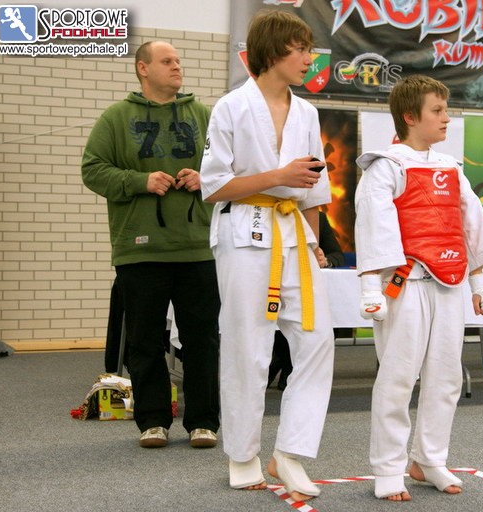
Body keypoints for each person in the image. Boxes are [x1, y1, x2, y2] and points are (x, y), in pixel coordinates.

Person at [200, 10, 335, 503]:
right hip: (244, 231)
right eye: (301, 49)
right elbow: (214, 186)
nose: (309, 58)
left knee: (318, 341)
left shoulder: (307, 113)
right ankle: (242, 455)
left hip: (295, 234)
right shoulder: (231, 107)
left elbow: (313, 188)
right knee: (248, 345)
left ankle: (291, 452)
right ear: (274, 51)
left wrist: (316, 244)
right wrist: (278, 176)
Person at [354, 75, 483, 501]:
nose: (446, 118)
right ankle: (388, 467)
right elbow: (373, 229)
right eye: (437, 111)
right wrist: (371, 287)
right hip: (405, 286)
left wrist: (479, 281)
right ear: (410, 116)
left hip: (449, 285)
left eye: (445, 109)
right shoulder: (386, 167)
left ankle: (429, 459)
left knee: (446, 377)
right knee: (398, 377)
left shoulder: (451, 169)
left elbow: (470, 226)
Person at [82, 41, 221, 449]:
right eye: (167, 61)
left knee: (202, 340)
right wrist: (139, 181)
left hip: (198, 248)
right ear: (143, 68)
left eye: (178, 61)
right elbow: (92, 170)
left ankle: (203, 422)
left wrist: (205, 178)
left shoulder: (203, 116)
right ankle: (153, 421)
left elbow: (231, 166)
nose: (177, 66)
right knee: (143, 342)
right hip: (139, 249)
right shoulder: (116, 118)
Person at [268, 211, 344, 391]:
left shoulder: (318, 218)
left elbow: (338, 255)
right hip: (272, 277)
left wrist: (325, 260)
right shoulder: (268, 214)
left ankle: (289, 366)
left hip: (308, 283)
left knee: (323, 324)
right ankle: (283, 361)